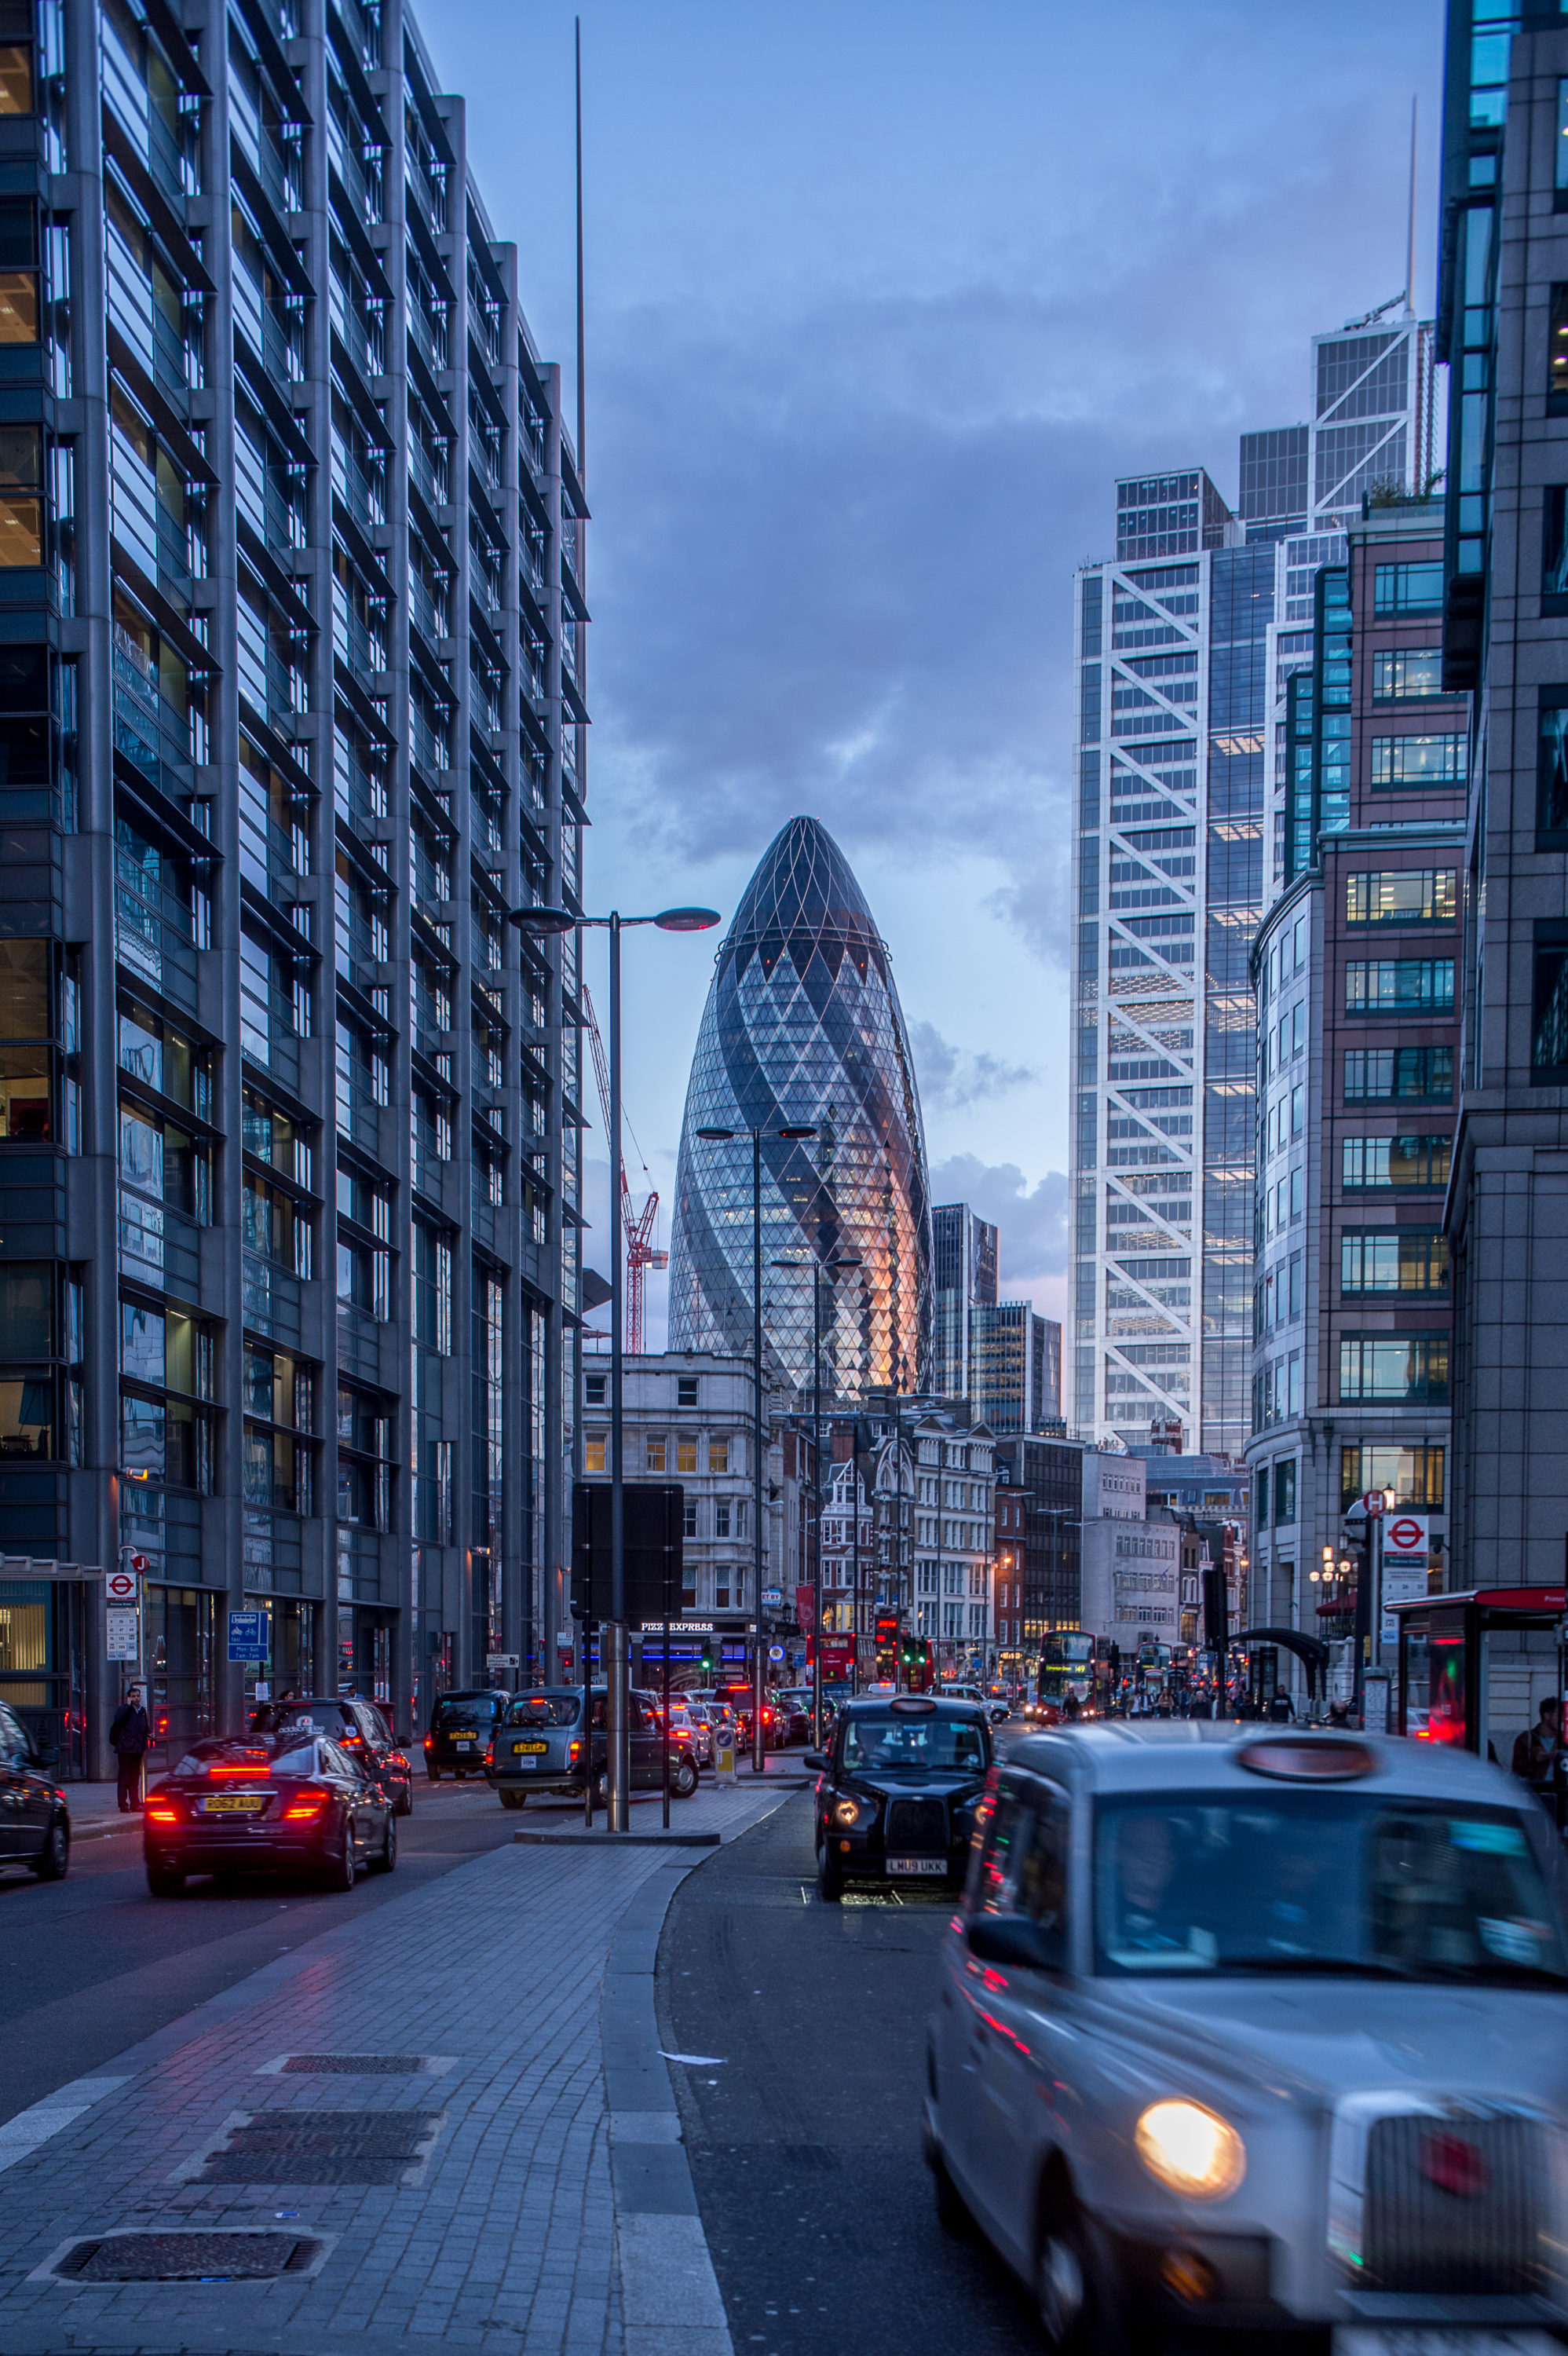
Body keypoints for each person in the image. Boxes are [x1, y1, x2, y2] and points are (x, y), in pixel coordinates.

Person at [108, 1680, 152, 1812]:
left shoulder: (142, 1711)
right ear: (129, 1698)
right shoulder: (125, 1710)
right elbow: (117, 1719)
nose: (137, 1698)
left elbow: (145, 1728)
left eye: (138, 1696)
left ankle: (135, 1803)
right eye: (134, 1696)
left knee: (134, 1778)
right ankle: (123, 1804)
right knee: (124, 1778)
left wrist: (150, 1735)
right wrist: (127, 1706)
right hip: (126, 1749)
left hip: (137, 1749)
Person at [1511, 1696, 1561, 1785]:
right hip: (1536, 1790)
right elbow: (1518, 1770)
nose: (1562, 1719)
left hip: (1559, 1791)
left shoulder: (1563, 1739)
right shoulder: (1525, 1739)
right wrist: (1535, 1760)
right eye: (1558, 1715)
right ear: (1547, 1716)